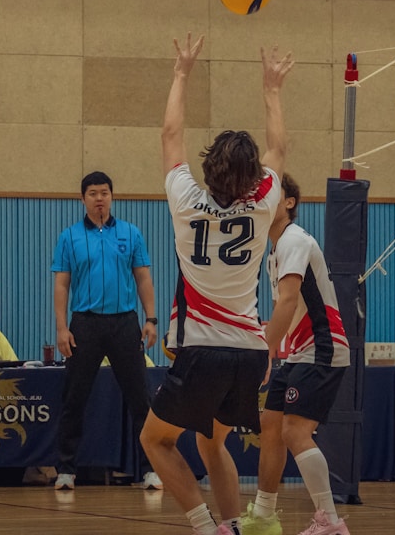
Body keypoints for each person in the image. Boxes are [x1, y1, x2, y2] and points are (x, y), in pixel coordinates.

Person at [139, 33, 292, 535]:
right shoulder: (266, 199)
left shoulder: (185, 197)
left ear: (208, 169)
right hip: (249, 353)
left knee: (154, 441)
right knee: (212, 441)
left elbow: (169, 135)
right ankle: (235, 525)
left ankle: (208, 528)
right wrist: (271, 88)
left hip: (203, 350)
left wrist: (182, 72)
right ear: (254, 178)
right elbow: (278, 148)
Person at [240, 173, 351, 535]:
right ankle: (264, 515)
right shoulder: (274, 251)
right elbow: (282, 311)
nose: (263, 201)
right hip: (296, 353)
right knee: (270, 428)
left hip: (322, 348)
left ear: (289, 203)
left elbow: (289, 301)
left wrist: (263, 352)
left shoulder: (294, 240)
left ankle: (331, 522)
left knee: (295, 431)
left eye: (272, 195)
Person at [51, 170, 162, 492]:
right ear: (83, 198)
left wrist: (151, 319)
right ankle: (66, 470)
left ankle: (149, 470)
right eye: (93, 193)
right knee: (74, 398)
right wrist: (61, 328)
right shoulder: (69, 236)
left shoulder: (131, 233)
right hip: (84, 323)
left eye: (105, 193)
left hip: (124, 322)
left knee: (140, 398)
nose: (99, 198)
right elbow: (61, 284)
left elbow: (143, 278)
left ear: (112, 196)